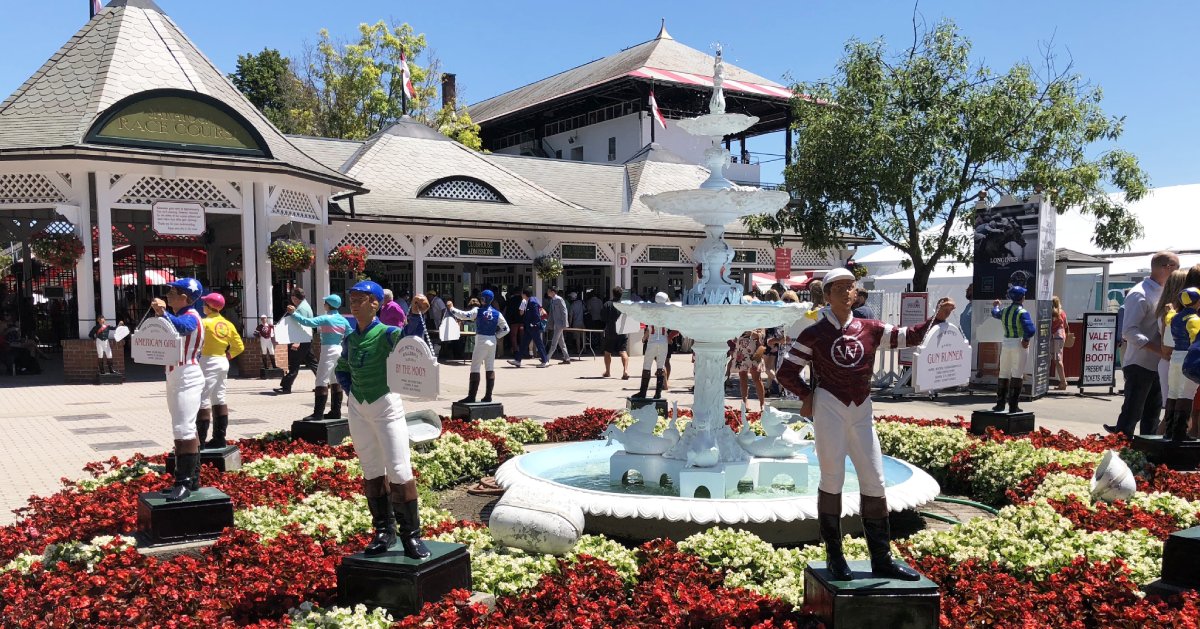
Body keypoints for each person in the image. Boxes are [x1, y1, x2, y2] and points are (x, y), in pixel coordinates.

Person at [776, 267, 955, 582]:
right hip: (829, 408)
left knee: (875, 481)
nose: (847, 292)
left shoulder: (870, 328)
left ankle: (882, 559)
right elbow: (787, 372)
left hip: (862, 410)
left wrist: (936, 319)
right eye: (840, 288)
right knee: (832, 480)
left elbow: (907, 337)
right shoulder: (814, 332)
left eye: (851, 286)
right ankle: (834, 557)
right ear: (828, 295)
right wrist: (807, 396)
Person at [334, 280, 430, 559]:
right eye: (351, 297)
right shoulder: (350, 339)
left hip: (386, 406)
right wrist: (354, 395)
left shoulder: (388, 333)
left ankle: (411, 535)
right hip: (358, 408)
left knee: (399, 470)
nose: (354, 302)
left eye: (361, 298)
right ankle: (383, 532)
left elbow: (410, 342)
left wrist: (414, 313)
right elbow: (342, 369)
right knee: (372, 470)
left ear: (375, 303)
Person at [1106, 252, 1181, 436]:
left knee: (1152, 416)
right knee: (1132, 414)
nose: (1178, 273)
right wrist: (1159, 350)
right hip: (1140, 363)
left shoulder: (1164, 291)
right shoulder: (1140, 293)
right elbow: (1129, 331)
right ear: (1167, 267)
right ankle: (1120, 452)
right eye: (1177, 268)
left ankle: (1147, 455)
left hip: (1157, 364)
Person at [150, 278, 206, 501]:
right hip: (176, 374)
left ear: (185, 297)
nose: (169, 295)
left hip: (187, 375)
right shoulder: (182, 315)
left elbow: (184, 329)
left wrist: (164, 315)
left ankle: (183, 482)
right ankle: (191, 478)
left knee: (183, 428)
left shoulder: (191, 316)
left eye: (173, 292)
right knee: (183, 427)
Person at [288, 294, 351, 421]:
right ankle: (335, 411)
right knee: (335, 380)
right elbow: (350, 334)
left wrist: (294, 313)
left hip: (328, 350)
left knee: (321, 380)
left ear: (328, 305)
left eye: (325, 303)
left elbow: (308, 322)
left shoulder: (326, 318)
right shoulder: (343, 320)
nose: (324, 305)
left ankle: (318, 413)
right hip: (339, 349)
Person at [197, 293, 244, 448]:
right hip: (222, 361)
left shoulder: (204, 323)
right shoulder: (227, 324)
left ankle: (200, 441)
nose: (203, 306)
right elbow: (239, 346)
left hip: (208, 361)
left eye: (204, 304)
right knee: (219, 397)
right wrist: (227, 355)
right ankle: (219, 439)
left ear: (210, 307)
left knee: (203, 398)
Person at [447, 289, 510, 403]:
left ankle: (472, 396)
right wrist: (496, 336)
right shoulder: (497, 313)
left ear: (483, 299)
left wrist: (451, 308)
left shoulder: (478, 311)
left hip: (481, 339)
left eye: (482, 298)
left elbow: (464, 315)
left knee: (475, 367)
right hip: (492, 340)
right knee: (490, 367)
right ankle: (488, 396)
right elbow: (506, 329)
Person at [990, 286, 1036, 413]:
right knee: (1017, 373)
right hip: (1018, 344)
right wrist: (1026, 340)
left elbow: (995, 313)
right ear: (1022, 298)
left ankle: (1000, 404)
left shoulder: (1005, 311)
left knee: (1003, 372)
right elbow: (1031, 330)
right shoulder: (1023, 312)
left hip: (1006, 343)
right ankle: (1013, 406)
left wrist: (996, 305)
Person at [1162, 287, 1200, 442]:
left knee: (1173, 393)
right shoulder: (1195, 320)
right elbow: (1195, 340)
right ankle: (1180, 432)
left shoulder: (1175, 318)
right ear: (1197, 301)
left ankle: (1169, 431)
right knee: (1186, 394)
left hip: (1175, 356)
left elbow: (1168, 316)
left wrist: (1170, 309)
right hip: (1188, 356)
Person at [1154, 270, 1189, 428]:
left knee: (1174, 413)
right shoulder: (1173, 313)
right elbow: (1166, 347)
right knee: (1174, 413)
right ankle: (1153, 449)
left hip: (1169, 362)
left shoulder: (1166, 310)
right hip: (1174, 362)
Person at [636, 292, 675, 399]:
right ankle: (658, 393)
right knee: (661, 366)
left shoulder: (650, 311)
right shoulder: (668, 312)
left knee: (647, 365)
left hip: (652, 340)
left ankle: (643, 392)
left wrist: (644, 338)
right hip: (663, 340)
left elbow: (648, 328)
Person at [275, 288, 313, 395]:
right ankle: (323, 383)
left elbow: (302, 325)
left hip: (300, 340)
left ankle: (286, 387)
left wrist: (297, 341)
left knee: (294, 364)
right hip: (306, 339)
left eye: (292, 296)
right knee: (312, 362)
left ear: (295, 298)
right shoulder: (303, 306)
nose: (291, 299)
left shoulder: (302, 309)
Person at [509, 290, 550, 368]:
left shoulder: (532, 302)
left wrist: (534, 324)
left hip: (533, 326)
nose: (521, 295)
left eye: (522, 294)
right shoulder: (531, 300)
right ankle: (518, 360)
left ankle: (545, 361)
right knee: (524, 343)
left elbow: (536, 315)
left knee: (538, 343)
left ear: (524, 295)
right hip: (529, 327)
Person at [732, 328, 767, 412]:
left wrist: (751, 332)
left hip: (755, 352)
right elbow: (733, 337)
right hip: (741, 351)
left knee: (757, 379)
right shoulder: (740, 321)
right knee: (742, 377)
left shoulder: (758, 321)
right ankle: (745, 403)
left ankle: (762, 404)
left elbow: (761, 335)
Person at [601, 286, 629, 379]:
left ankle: (608, 372)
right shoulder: (625, 305)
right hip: (622, 331)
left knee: (607, 352)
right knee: (623, 351)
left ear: (613, 293)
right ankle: (625, 371)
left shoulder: (607, 304)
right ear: (622, 295)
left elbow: (603, 318)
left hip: (610, 331)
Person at [546, 287, 571, 364]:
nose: (548, 292)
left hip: (560, 324)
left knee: (554, 342)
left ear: (553, 292)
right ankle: (567, 358)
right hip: (556, 324)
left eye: (549, 291)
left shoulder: (559, 299)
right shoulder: (552, 300)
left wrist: (565, 323)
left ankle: (546, 358)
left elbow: (564, 311)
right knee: (561, 342)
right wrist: (549, 324)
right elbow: (551, 314)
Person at [1051, 295, 1069, 390]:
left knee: (1057, 360)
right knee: (1057, 359)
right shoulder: (1062, 312)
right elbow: (1066, 325)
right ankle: (1063, 382)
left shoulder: (1053, 313)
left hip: (1055, 337)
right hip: (1061, 336)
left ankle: (1063, 382)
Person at [504, 289, 525, 357]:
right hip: (522, 320)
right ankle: (523, 350)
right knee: (522, 335)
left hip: (513, 321)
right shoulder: (523, 300)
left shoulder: (511, 300)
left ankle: (515, 350)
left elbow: (508, 310)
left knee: (513, 336)